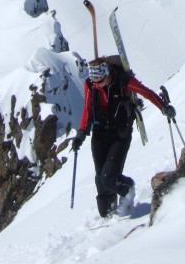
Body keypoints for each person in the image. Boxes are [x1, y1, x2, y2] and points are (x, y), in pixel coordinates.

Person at [70, 57, 176, 218]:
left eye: (100, 81)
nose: (97, 85)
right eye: (94, 82)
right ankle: (108, 213)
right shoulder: (91, 85)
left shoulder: (123, 81)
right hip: (99, 134)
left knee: (108, 177)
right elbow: (87, 109)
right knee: (101, 179)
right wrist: (81, 133)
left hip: (120, 134)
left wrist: (164, 107)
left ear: (107, 73)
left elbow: (146, 92)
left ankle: (127, 188)